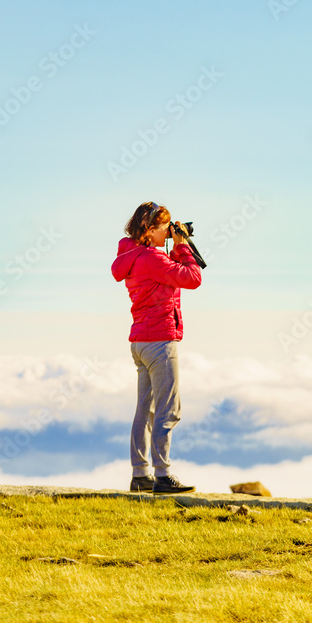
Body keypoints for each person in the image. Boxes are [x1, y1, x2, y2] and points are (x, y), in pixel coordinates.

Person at [111, 202, 202, 494]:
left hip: (141, 341)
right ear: (150, 231)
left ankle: (141, 475)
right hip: (160, 340)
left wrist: (175, 245)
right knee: (168, 410)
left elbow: (175, 273)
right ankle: (162, 475)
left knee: (145, 409)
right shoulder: (152, 258)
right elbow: (192, 278)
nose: (169, 230)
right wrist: (182, 246)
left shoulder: (132, 255)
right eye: (164, 226)